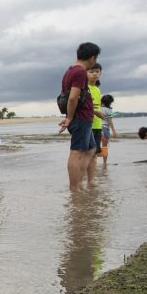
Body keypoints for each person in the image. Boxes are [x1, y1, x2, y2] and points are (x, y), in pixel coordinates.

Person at [58, 42, 101, 191]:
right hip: (80, 117)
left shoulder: (70, 71)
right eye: (95, 59)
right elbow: (72, 97)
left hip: (82, 117)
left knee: (91, 149)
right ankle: (74, 188)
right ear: (92, 57)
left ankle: (79, 182)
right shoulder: (79, 72)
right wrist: (69, 118)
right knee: (76, 152)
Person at [87, 63, 105, 185]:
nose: (94, 73)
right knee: (85, 153)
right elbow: (82, 106)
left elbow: (98, 107)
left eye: (97, 71)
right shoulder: (85, 88)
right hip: (87, 124)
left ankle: (91, 180)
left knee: (95, 153)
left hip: (98, 125)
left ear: (100, 73)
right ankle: (82, 179)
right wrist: (95, 112)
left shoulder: (97, 89)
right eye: (91, 71)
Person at [99, 94, 118, 165]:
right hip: (105, 128)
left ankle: (92, 162)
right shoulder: (109, 110)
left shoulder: (98, 108)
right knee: (104, 147)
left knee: (94, 146)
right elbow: (109, 121)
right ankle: (104, 163)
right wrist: (113, 130)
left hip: (96, 128)